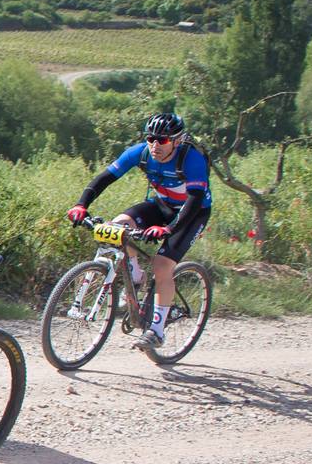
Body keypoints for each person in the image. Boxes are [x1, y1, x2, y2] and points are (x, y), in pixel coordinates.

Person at [66, 112, 210, 348]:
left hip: (192, 212)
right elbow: (105, 178)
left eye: (162, 140)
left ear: (176, 140)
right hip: (162, 205)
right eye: (151, 138)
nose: (155, 145)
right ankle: (135, 276)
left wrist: (168, 229)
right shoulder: (140, 152)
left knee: (162, 265)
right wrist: (81, 204)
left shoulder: (191, 159)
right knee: (116, 226)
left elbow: (194, 201)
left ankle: (156, 330)